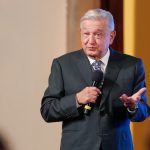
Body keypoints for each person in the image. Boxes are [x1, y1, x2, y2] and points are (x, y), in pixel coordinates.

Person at [40, 9, 150, 150]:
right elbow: (47, 110)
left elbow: (143, 111)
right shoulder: (63, 64)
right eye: (86, 34)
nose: (90, 41)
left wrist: (133, 107)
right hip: (77, 146)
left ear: (111, 36)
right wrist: (77, 99)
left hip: (117, 145)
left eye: (98, 35)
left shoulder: (132, 65)